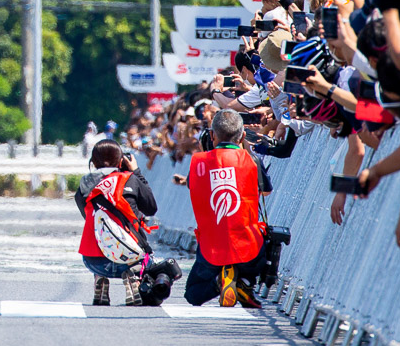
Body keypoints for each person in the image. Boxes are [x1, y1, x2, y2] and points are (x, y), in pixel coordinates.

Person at [76, 139, 180, 306]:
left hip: (92, 261)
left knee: (102, 236)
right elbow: (151, 208)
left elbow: (89, 218)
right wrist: (136, 172)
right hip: (127, 260)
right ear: (121, 160)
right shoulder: (130, 179)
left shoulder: (84, 184)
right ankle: (134, 275)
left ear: (93, 163)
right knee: (159, 264)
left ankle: (99, 280)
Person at [184, 109, 266, 308]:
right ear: (243, 135)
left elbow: (191, 185)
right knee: (268, 235)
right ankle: (245, 283)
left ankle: (218, 283)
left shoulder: (199, 162)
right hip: (248, 246)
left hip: (211, 246)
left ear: (212, 135)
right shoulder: (253, 161)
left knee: (193, 295)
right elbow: (266, 192)